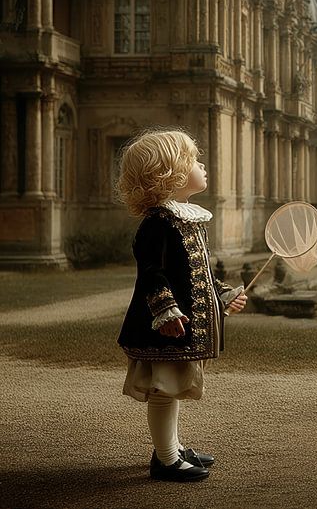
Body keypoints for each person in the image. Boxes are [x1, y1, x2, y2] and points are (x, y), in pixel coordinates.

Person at [116, 129, 248, 482]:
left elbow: (197, 272)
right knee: (164, 391)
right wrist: (165, 311)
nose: (202, 165)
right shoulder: (157, 224)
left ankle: (171, 449)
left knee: (170, 391)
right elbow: (151, 274)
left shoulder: (187, 219)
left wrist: (222, 296)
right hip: (164, 327)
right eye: (193, 160)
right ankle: (167, 458)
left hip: (181, 326)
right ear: (168, 174)